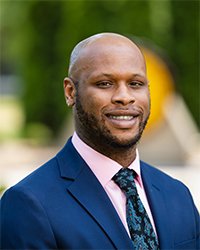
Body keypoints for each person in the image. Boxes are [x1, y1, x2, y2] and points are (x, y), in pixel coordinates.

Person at [1, 33, 199, 250]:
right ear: (70, 92)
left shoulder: (178, 195)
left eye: (136, 83)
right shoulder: (28, 204)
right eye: (105, 83)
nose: (124, 97)